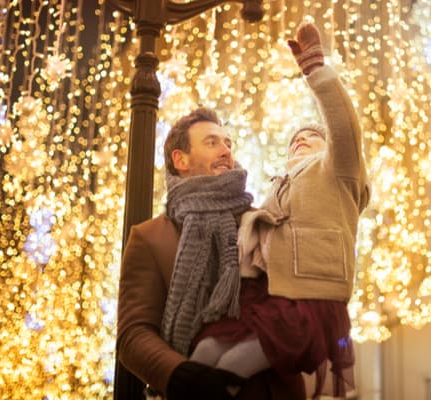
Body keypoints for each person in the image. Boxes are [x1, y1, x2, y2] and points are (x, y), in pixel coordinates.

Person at [188, 22, 370, 399]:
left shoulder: (337, 169)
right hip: (271, 299)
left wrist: (315, 68)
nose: (300, 140)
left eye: (310, 137)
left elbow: (343, 127)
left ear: (328, 146)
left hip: (312, 298)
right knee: (204, 353)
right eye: (294, 141)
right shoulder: (278, 188)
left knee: (232, 367)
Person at [117, 106, 306, 400]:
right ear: (180, 159)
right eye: (212, 142)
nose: (225, 150)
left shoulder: (263, 223)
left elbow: (303, 304)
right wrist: (180, 374)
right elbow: (133, 335)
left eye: (228, 143)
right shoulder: (150, 237)